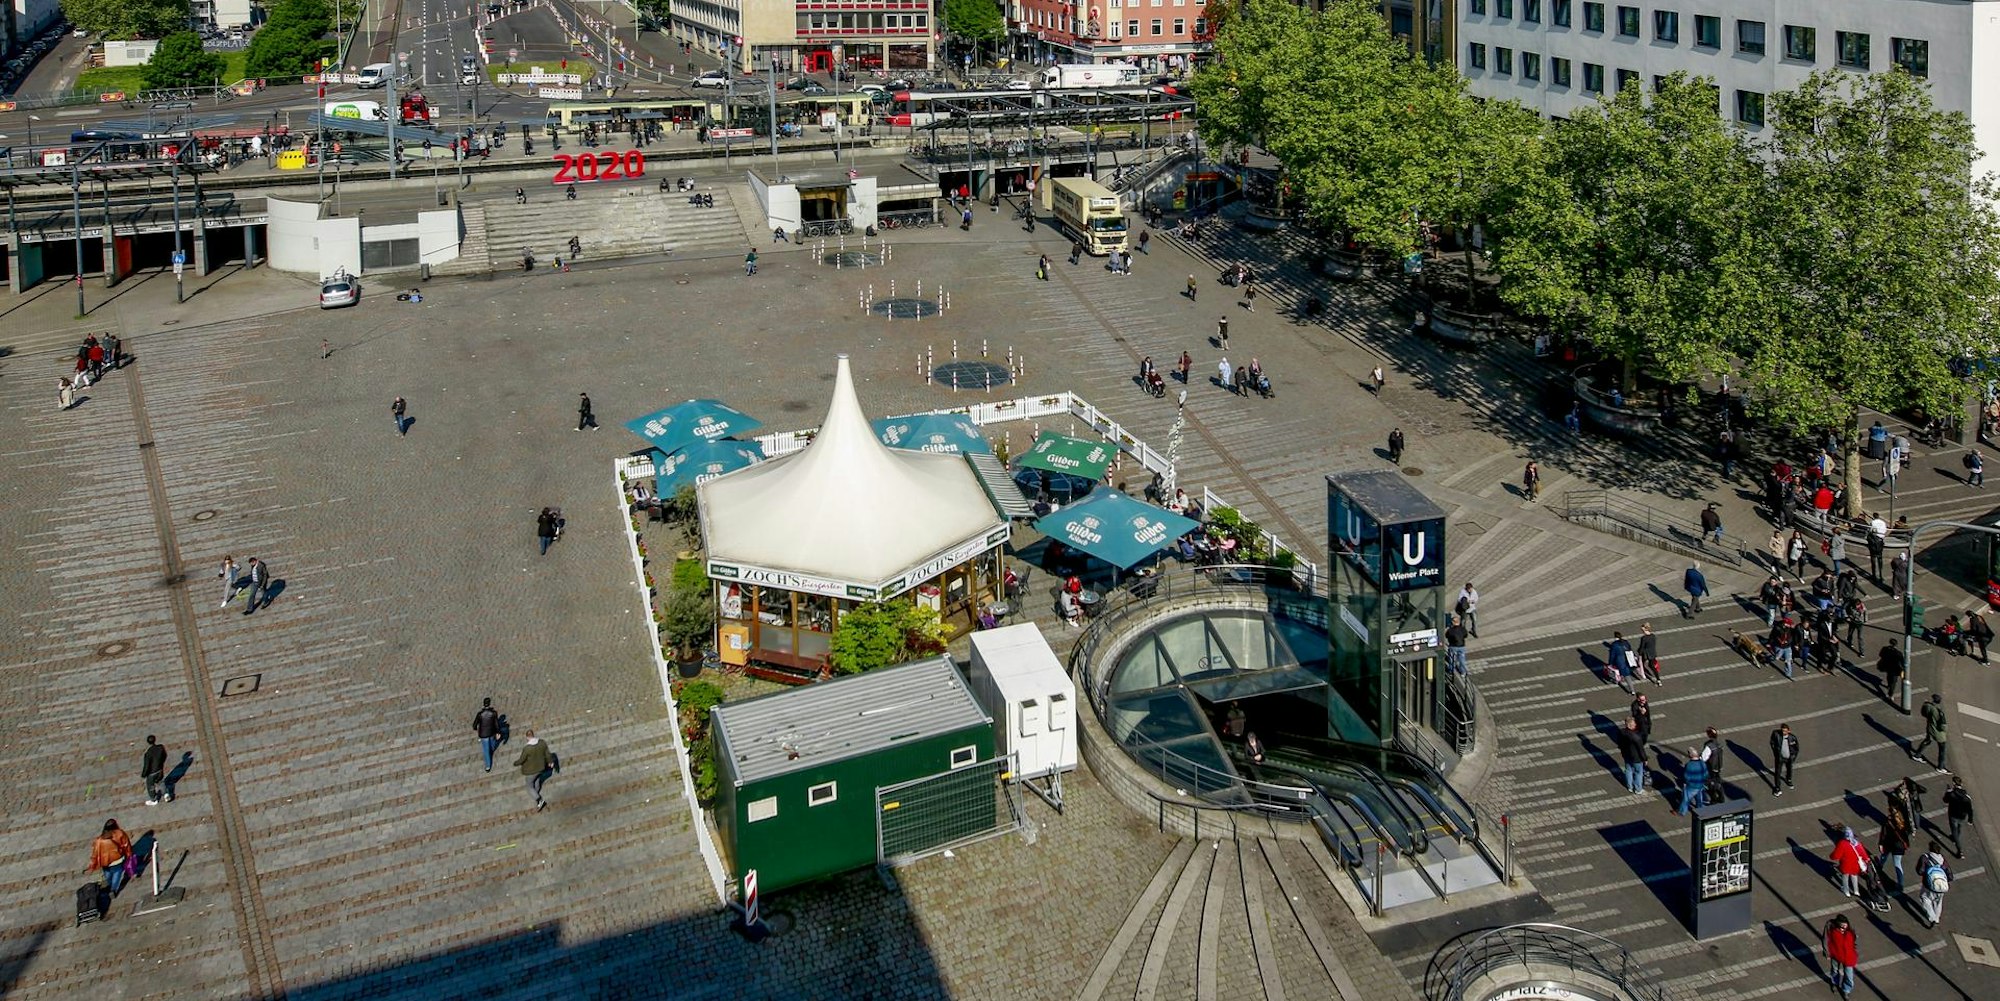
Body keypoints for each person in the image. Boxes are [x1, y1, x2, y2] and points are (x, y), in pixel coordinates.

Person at [86, 820, 134, 895]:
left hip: (105, 863)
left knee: (108, 875)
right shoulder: (120, 833)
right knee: (117, 875)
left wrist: (92, 866)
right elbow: (126, 845)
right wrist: (129, 855)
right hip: (118, 860)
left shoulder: (99, 840)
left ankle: (109, 884)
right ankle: (113, 889)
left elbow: (95, 854)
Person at [514, 728, 556, 812]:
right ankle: (536, 791)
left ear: (527, 737)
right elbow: (547, 753)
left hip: (531, 770)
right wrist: (550, 762)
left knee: (529, 786)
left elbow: (522, 759)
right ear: (533, 735)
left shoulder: (527, 748)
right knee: (537, 780)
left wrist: (516, 763)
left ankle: (539, 799)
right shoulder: (542, 742)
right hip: (541, 767)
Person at [1821, 914, 1858, 998]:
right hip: (1835, 954)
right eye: (1842, 926)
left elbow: (1853, 940)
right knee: (1835, 971)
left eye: (1845, 925)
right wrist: (1827, 952)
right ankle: (1834, 983)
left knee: (1849, 976)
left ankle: (1846, 990)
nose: (1844, 927)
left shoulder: (1849, 931)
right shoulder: (1831, 928)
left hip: (1848, 957)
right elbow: (1826, 939)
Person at [1916, 840, 1951, 928]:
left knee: (1924, 898)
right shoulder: (1943, 860)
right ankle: (1937, 918)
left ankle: (1932, 918)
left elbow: (1920, 871)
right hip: (1942, 886)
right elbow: (1950, 875)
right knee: (1938, 902)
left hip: (1929, 885)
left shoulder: (1925, 857)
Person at [1911, 693, 1949, 770]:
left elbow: (1923, 713)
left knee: (1927, 740)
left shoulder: (1927, 705)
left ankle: (1917, 755)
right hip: (1938, 733)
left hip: (1930, 728)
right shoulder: (1939, 711)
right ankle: (1940, 767)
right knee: (1942, 749)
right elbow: (1942, 726)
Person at [1830, 826, 1870, 897]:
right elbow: (1863, 853)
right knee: (1854, 876)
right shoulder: (1857, 843)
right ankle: (1856, 891)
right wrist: (1866, 859)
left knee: (1845, 877)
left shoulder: (1842, 843)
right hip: (1856, 865)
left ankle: (1846, 891)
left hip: (1846, 865)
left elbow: (1836, 855)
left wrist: (1831, 857)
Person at [1942, 776, 1974, 858]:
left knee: (1954, 830)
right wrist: (1970, 819)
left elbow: (1945, 800)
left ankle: (1959, 850)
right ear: (1961, 784)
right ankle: (1954, 838)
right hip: (1962, 816)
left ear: (1953, 784)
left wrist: (1947, 791)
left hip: (1953, 815)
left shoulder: (1951, 793)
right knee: (1959, 827)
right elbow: (1970, 809)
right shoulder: (1967, 797)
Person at [1614, 717, 1647, 795]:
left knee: (1628, 770)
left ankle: (1630, 786)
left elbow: (1620, 743)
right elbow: (1641, 750)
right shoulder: (1636, 737)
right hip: (1636, 758)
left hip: (1626, 755)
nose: (1635, 725)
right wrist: (1645, 759)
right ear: (1629, 725)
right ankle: (1638, 789)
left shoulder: (1621, 732)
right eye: (1633, 724)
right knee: (1638, 772)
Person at [473, 698, 503, 772]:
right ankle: (492, 749)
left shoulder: (480, 714)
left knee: (486, 750)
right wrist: (498, 732)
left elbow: (474, 724)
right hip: (491, 732)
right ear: (489, 704)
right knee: (492, 743)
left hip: (483, 734)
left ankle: (488, 766)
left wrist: (476, 729)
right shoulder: (493, 713)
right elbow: (496, 724)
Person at [1768, 723, 1798, 795]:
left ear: (1789, 731)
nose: (1783, 732)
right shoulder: (1776, 734)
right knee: (1778, 773)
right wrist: (1776, 753)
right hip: (1780, 758)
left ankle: (1788, 780)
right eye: (1782, 731)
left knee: (1789, 770)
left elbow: (1796, 749)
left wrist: (1793, 757)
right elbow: (1772, 742)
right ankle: (1777, 788)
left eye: (1785, 731)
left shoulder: (1792, 738)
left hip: (1789, 758)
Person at [1676, 749, 1707, 816]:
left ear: (1690, 755)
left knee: (1686, 799)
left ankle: (1682, 812)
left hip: (1692, 786)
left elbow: (1686, 777)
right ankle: (1700, 810)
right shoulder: (1702, 763)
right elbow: (1705, 774)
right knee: (1699, 799)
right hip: (1700, 784)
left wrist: (1686, 783)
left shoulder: (1689, 765)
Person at [142, 735, 169, 805]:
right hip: (159, 769)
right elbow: (165, 756)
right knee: (161, 782)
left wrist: (144, 774)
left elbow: (146, 766)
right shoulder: (160, 747)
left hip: (152, 773)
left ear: (148, 742)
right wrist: (161, 763)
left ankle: (154, 800)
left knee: (150, 785)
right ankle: (166, 794)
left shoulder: (148, 753)